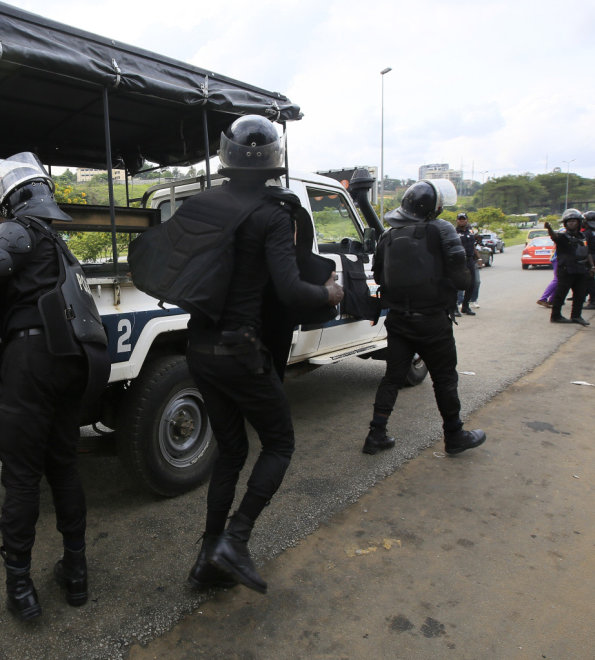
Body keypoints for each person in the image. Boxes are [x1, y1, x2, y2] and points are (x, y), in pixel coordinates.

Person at [162, 115, 344, 595]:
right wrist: (329, 293)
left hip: (200, 349)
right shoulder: (273, 214)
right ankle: (235, 540)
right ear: (273, 161)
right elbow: (289, 291)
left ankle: (207, 559)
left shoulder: (203, 205)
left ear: (226, 157)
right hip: (240, 353)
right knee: (279, 443)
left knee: (232, 451)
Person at [0, 153, 110, 620]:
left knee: (22, 475)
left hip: (33, 363)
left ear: (11, 201)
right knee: (63, 466)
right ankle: (77, 572)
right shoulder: (57, 243)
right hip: (71, 362)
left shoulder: (17, 231)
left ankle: (20, 588)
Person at [363, 179, 485, 458]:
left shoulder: (387, 236)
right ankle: (454, 435)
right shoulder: (442, 228)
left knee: (392, 378)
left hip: (398, 320)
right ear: (433, 207)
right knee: (445, 379)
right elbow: (463, 281)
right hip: (432, 322)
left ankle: (375, 435)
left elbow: (378, 277)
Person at [546, 209, 594, 326]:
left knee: (580, 294)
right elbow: (554, 236)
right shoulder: (562, 236)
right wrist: (549, 228)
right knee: (561, 294)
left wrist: (592, 267)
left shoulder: (583, 237)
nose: (571, 223)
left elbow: (587, 252)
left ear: (579, 223)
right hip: (566, 269)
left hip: (581, 268)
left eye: (573, 221)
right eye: (568, 221)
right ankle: (556, 316)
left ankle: (576, 316)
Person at [454, 213, 482, 316]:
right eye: (460, 219)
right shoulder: (454, 232)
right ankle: (454, 307)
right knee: (457, 285)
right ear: (457, 220)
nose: (462, 220)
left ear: (467, 220)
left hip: (470, 260)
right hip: (459, 261)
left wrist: (479, 258)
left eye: (463, 219)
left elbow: (473, 246)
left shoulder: (470, 232)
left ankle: (465, 306)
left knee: (472, 284)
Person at [581, 211, 595, 311]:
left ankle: (593, 301)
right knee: (593, 279)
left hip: (590, 258)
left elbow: (584, 248)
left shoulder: (586, 234)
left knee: (590, 280)